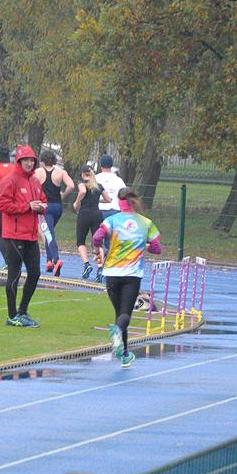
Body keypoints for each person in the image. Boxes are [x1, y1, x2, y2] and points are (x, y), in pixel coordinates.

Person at [93, 187, 162, 368]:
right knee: (125, 314)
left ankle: (123, 354)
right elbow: (157, 248)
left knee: (119, 314)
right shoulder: (146, 223)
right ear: (134, 201)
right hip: (132, 275)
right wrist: (145, 246)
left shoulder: (112, 220)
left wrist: (98, 250)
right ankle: (118, 336)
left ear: (119, 202)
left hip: (112, 274)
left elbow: (97, 237)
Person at [0, 144, 47, 327]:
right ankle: (12, 315)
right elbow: (1, 205)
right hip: (14, 235)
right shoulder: (10, 180)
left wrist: (42, 206)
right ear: (19, 161)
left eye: (32, 160)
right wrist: (27, 207)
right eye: (26, 160)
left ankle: (23, 311)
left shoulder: (34, 181)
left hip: (31, 235)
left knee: (35, 273)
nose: (29, 163)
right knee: (14, 275)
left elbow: (43, 199)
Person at [34, 148, 75, 277]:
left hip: (44, 207)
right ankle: (49, 262)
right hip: (57, 207)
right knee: (48, 232)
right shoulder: (61, 172)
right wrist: (63, 196)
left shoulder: (38, 172)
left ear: (42, 161)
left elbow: (31, 185)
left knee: (48, 234)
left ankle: (56, 259)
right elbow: (71, 186)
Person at [72, 164, 111, 280]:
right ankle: (100, 268)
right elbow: (108, 199)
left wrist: (77, 202)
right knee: (97, 241)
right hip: (97, 213)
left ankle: (87, 264)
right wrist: (99, 200)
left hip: (84, 213)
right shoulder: (98, 186)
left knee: (80, 241)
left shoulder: (81, 182)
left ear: (83, 174)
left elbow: (83, 191)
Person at [94, 154, 127, 283]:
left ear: (101, 165)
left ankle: (100, 266)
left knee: (98, 242)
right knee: (111, 242)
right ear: (111, 165)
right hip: (114, 212)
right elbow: (124, 195)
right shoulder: (118, 180)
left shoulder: (96, 178)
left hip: (99, 211)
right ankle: (110, 267)